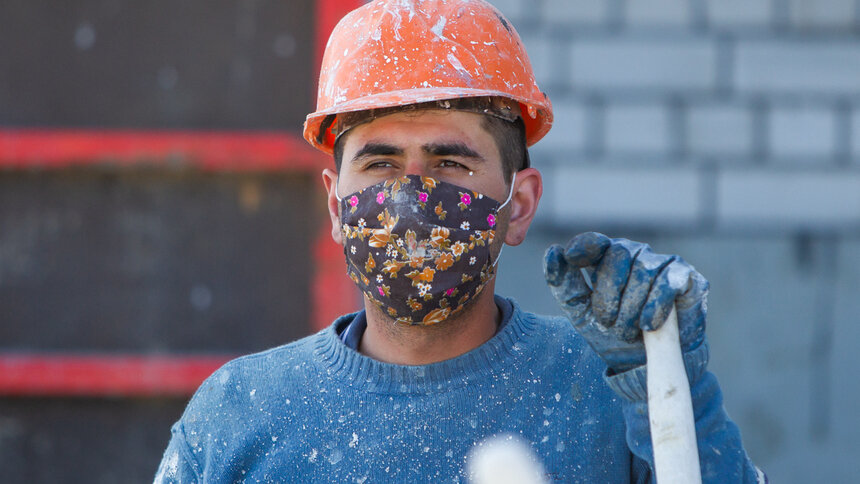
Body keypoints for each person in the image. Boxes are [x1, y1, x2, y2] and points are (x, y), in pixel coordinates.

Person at [155, 1, 765, 482]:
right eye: (380, 164)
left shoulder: (608, 386)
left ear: (518, 206)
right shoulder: (239, 412)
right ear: (336, 206)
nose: (412, 198)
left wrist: (675, 393)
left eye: (450, 163)